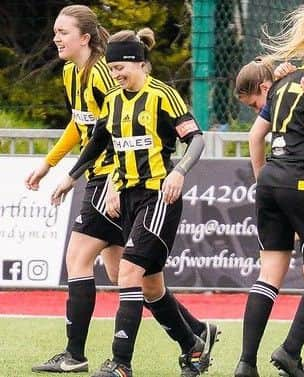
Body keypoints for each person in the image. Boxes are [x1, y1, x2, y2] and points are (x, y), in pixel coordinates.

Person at [51, 28, 211, 377]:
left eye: (121, 67)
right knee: (152, 288)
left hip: (158, 196)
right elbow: (97, 142)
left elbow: (196, 139)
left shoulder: (162, 96)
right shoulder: (113, 100)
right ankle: (194, 345)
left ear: (140, 63)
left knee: (127, 272)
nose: (116, 74)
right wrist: (70, 177)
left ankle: (121, 363)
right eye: (112, 69)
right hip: (126, 196)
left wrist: (179, 170)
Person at [233, 5, 304, 377]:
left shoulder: (283, 81)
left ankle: (246, 363)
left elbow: (255, 137)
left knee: (270, 275)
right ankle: (291, 351)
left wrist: (263, 179)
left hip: (270, 181)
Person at [27, 5, 124, 373]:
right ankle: (194, 334)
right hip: (99, 175)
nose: (56, 38)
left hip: (113, 177)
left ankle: (74, 355)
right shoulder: (71, 73)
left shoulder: (103, 74)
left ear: (85, 38)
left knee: (78, 259)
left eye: (63, 32)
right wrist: (48, 163)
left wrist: (75, 175)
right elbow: (79, 125)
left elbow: (114, 131)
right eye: (55, 31)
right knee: (122, 276)